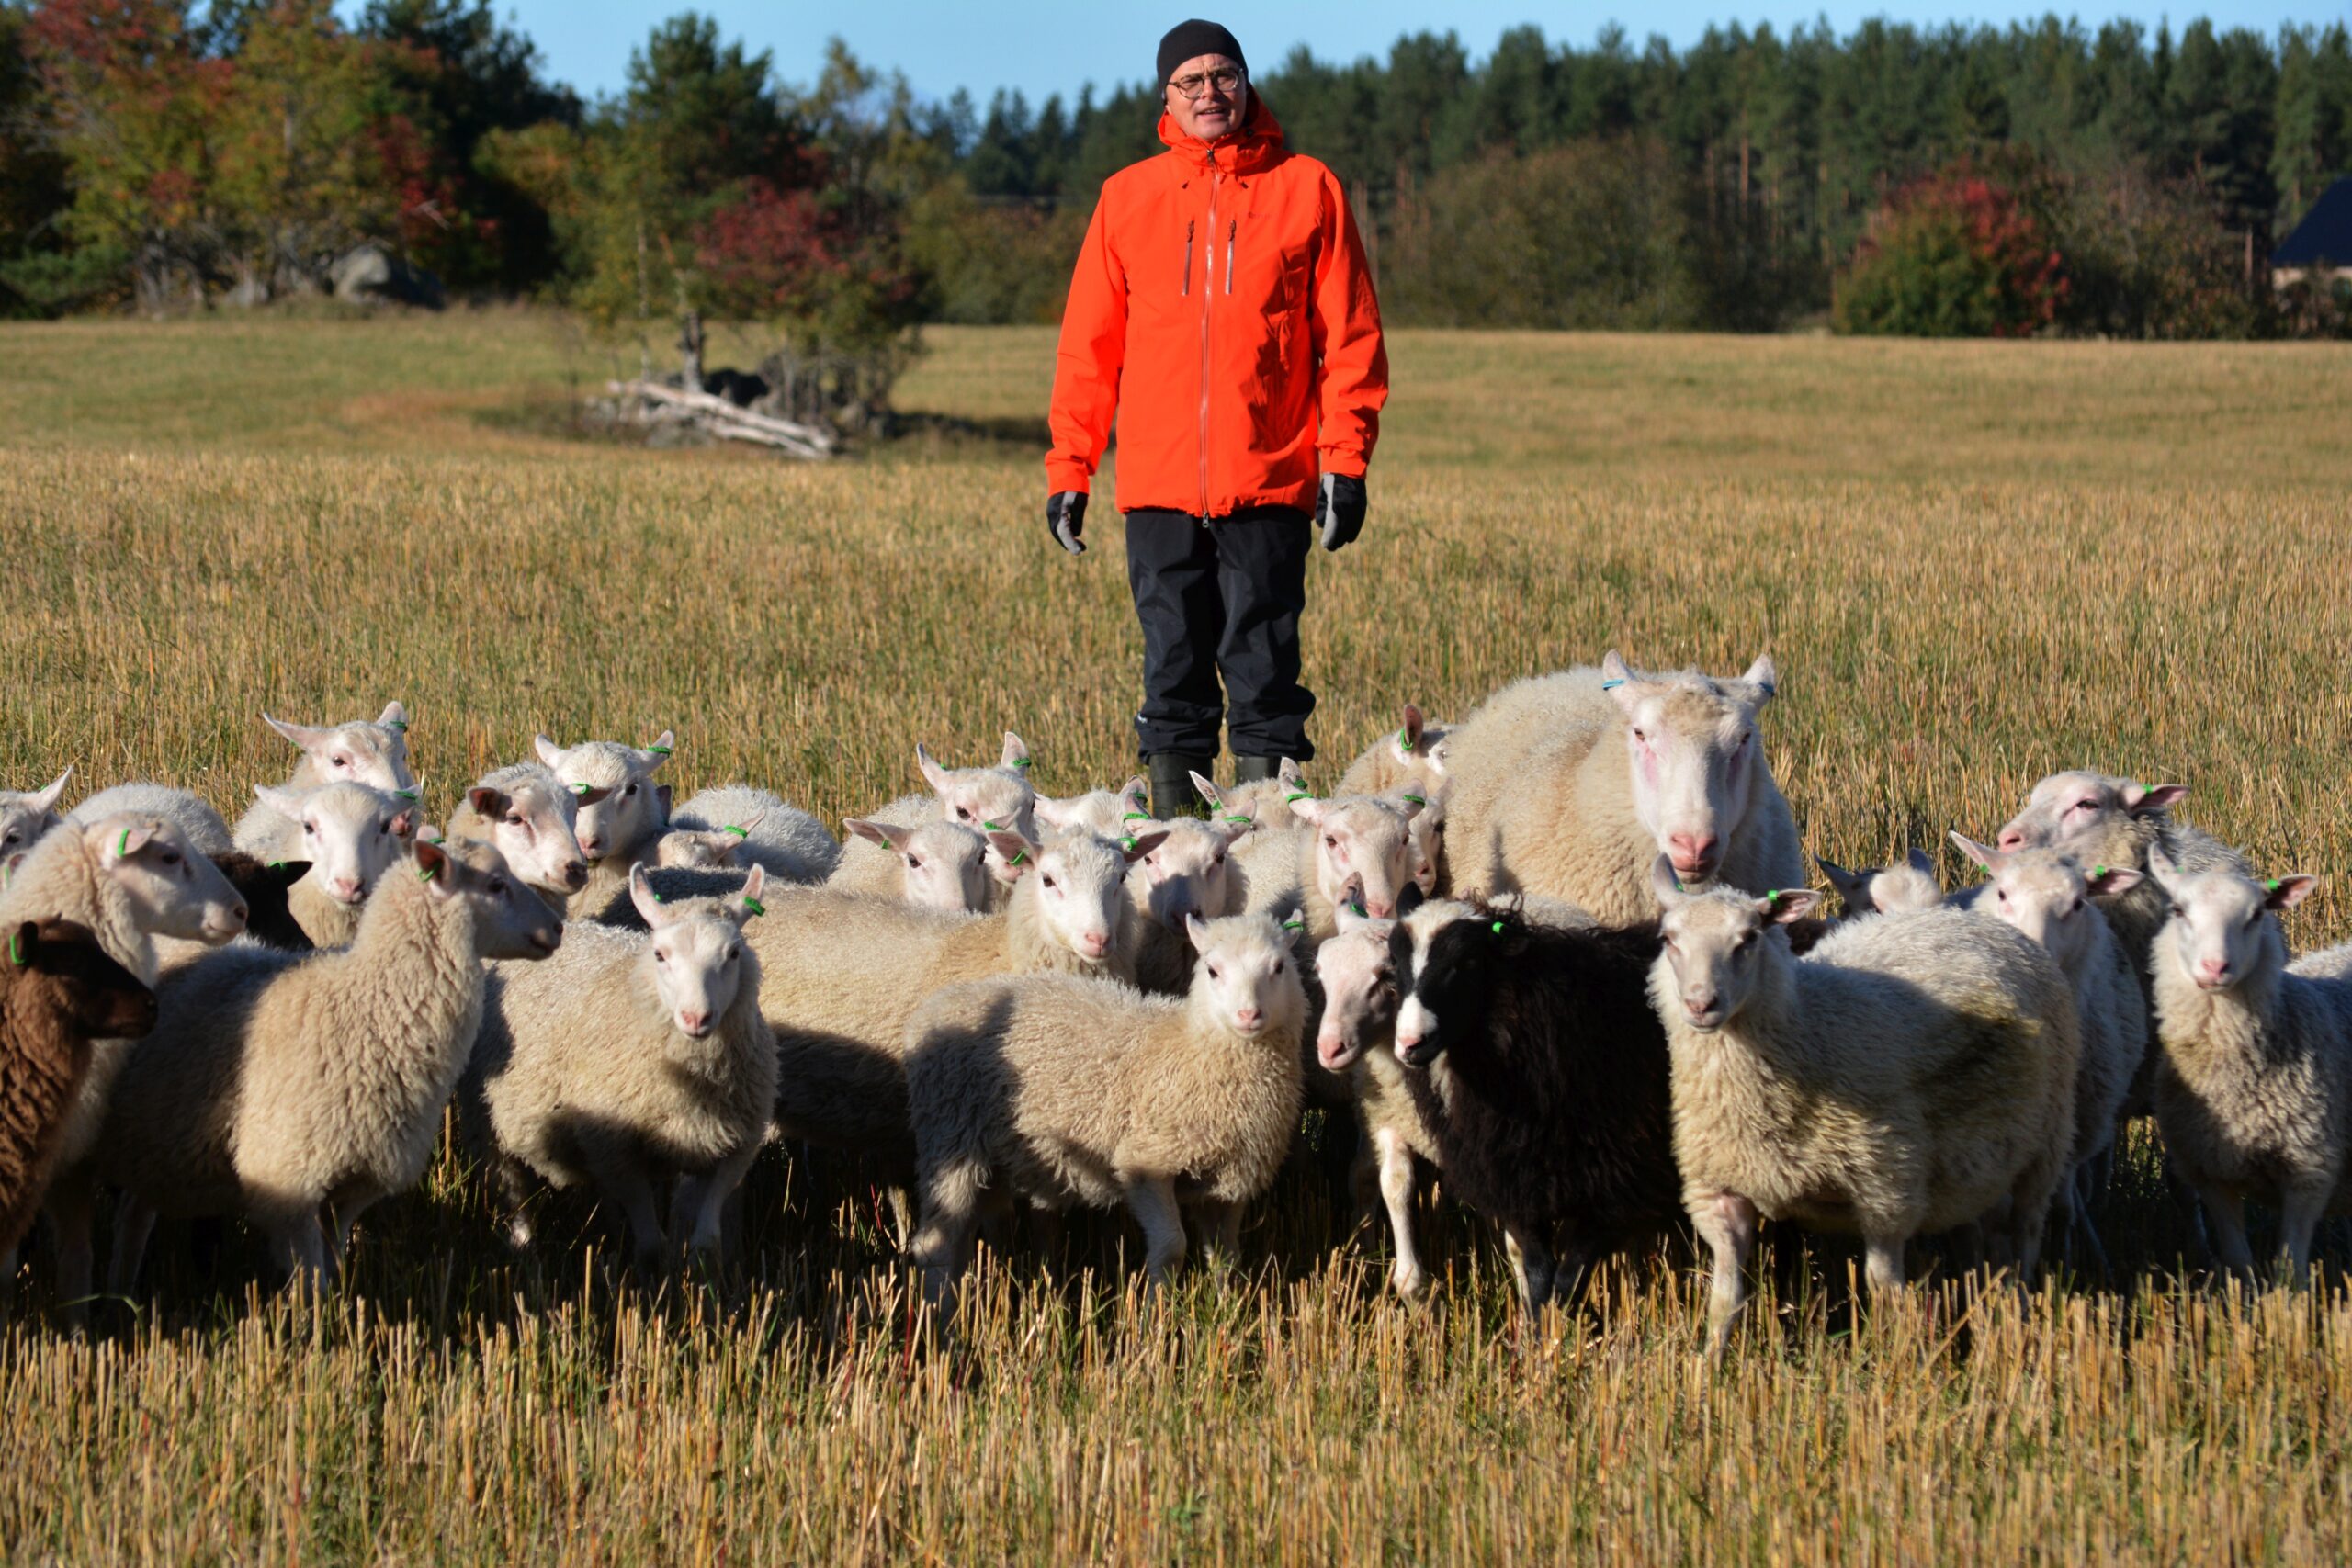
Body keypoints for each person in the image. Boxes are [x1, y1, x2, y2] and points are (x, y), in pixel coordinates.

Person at [1044, 18, 1388, 818]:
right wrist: (1070, 468)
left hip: (1269, 479)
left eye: (1223, 76)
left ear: (1246, 83)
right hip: (1159, 487)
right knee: (1172, 674)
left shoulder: (1310, 188)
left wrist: (1345, 463)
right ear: (1165, 96)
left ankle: (1265, 853)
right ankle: (1177, 861)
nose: (1210, 93)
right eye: (1190, 81)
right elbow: (1088, 350)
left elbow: (1353, 339)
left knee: (1266, 674)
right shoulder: (1127, 197)